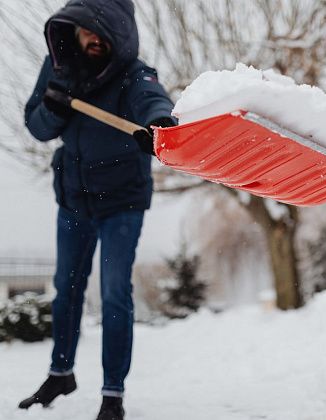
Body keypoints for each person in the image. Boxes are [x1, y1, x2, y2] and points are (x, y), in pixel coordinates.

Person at [18, 1, 176, 419]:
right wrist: (52, 106)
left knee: (113, 293)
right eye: (85, 30)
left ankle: (112, 395)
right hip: (73, 197)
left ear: (119, 33)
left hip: (121, 202)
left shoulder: (133, 72)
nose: (92, 39)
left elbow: (153, 99)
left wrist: (159, 125)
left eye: (100, 32)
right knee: (66, 289)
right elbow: (36, 126)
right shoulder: (59, 68)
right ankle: (61, 373)